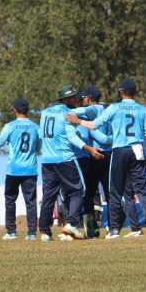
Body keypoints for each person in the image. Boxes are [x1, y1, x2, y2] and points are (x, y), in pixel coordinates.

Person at [69, 78, 146, 238]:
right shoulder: (143, 110)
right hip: (137, 149)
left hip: (119, 150)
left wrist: (77, 121)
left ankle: (114, 229)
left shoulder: (114, 108)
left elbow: (94, 125)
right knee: (141, 189)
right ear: (135, 92)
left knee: (115, 191)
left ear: (121, 92)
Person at [39, 86, 103, 242]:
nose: (77, 100)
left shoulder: (45, 113)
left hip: (47, 160)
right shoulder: (67, 114)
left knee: (49, 196)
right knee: (78, 191)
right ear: (66, 100)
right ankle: (72, 225)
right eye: (74, 97)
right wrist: (89, 149)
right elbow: (72, 138)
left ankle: (45, 232)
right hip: (64, 159)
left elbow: (41, 135)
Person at [0, 98, 41, 241]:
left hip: (13, 169)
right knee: (31, 201)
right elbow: (38, 148)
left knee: (10, 200)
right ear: (28, 110)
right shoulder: (35, 127)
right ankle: (31, 233)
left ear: (15, 110)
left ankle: (11, 232)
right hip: (30, 170)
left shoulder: (10, 126)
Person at [72, 86, 112, 238]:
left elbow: (96, 135)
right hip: (107, 155)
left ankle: (92, 229)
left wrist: (69, 114)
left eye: (82, 99)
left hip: (96, 155)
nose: (81, 101)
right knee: (108, 192)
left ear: (88, 98)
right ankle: (111, 227)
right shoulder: (107, 109)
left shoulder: (93, 110)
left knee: (88, 194)